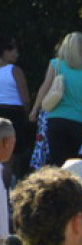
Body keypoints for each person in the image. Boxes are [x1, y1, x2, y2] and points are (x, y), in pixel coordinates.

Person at [29, 32, 82, 166]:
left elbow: (44, 88)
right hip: (78, 122)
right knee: (70, 164)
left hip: (57, 119)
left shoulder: (56, 64)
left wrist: (34, 109)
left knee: (56, 161)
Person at [0, 35, 31, 178]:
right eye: (11, 50)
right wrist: (27, 116)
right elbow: (25, 98)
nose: (16, 53)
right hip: (14, 114)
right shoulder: (14, 70)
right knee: (12, 155)